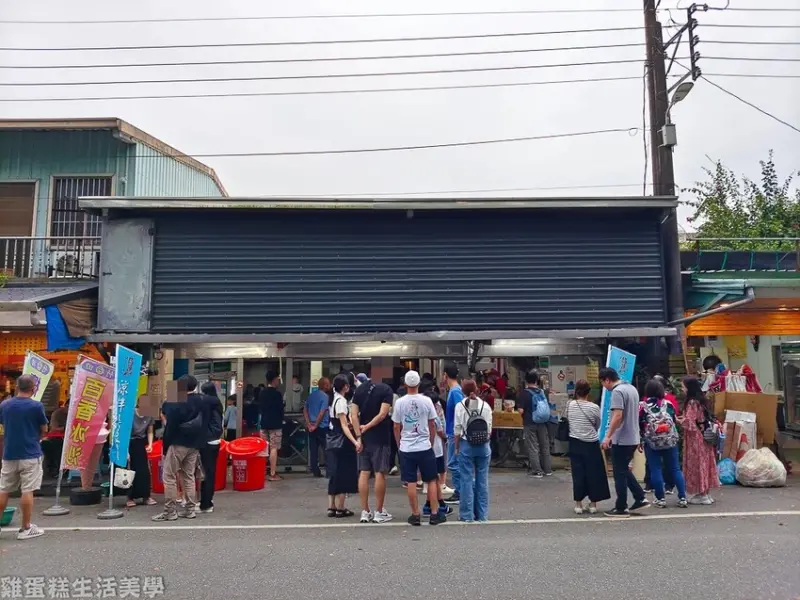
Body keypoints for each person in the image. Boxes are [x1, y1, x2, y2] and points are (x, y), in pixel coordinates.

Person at [392, 370, 444, 526]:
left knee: (411, 481)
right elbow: (432, 424)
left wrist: (399, 443)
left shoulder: (400, 402)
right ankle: (435, 514)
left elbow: (396, 426)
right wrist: (431, 439)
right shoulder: (427, 401)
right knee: (431, 480)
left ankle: (415, 514)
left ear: (405, 384)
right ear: (419, 384)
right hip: (424, 446)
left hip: (407, 447)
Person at [153, 374, 207, 521]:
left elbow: (170, 426)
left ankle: (170, 511)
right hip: (194, 444)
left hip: (177, 443)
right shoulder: (202, 400)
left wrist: (166, 446)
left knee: (169, 476)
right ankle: (190, 509)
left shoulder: (176, 402)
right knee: (188, 476)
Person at [0, 375, 47, 540]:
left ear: (17, 387)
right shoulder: (36, 406)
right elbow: (44, 428)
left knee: (4, 489)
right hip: (30, 452)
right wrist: (37, 437)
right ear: (33, 388)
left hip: (9, 453)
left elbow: (3, 425)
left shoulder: (5, 405)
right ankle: (26, 527)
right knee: (27, 490)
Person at [600, 367, 650, 518]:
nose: (604, 387)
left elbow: (617, 416)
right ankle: (640, 497)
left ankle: (621, 506)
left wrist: (608, 436)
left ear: (607, 380)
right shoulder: (632, 388)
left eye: (603, 383)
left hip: (622, 438)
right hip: (633, 437)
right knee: (623, 470)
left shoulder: (617, 391)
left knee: (619, 473)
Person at [639, 379, 688, 509]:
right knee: (675, 469)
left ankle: (660, 499)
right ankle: (682, 497)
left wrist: (640, 439)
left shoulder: (643, 406)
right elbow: (672, 420)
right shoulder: (668, 404)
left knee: (655, 469)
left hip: (652, 442)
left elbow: (640, 424)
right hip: (670, 441)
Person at [351, 376, 394, 524]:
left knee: (364, 472)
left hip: (363, 438)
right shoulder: (386, 389)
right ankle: (379, 511)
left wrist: (358, 435)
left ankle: (365, 511)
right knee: (379, 472)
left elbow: (353, 415)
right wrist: (368, 426)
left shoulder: (359, 389)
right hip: (380, 436)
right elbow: (383, 414)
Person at [567, 380, 610, 515]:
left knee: (578, 473)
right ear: (588, 392)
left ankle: (578, 504)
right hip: (591, 443)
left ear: (576, 391)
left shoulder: (570, 405)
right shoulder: (594, 407)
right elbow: (597, 424)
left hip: (575, 442)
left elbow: (568, 421)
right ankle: (593, 504)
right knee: (593, 474)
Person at [454, 379, 493, 523]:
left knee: (466, 480)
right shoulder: (486, 406)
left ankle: (467, 515)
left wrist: (457, 448)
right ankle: (482, 515)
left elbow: (457, 430)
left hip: (466, 444)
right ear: (476, 390)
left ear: (463, 391)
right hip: (483, 446)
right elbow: (489, 430)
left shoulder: (459, 406)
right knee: (482, 480)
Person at [679, 376, 720, 505]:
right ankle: (705, 493)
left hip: (695, 438)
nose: (682, 388)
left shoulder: (691, 402)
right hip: (705, 436)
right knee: (705, 463)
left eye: (683, 386)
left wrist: (679, 420)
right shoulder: (701, 401)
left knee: (696, 464)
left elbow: (690, 422)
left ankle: (701, 494)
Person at [326, 374, 360, 518]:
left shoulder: (332, 399)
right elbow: (344, 426)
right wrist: (355, 441)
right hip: (342, 441)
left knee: (334, 473)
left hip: (332, 439)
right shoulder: (341, 401)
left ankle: (331, 506)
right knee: (343, 473)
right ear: (345, 386)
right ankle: (341, 507)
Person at [643, 374, 679, 493]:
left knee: (653, 466)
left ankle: (651, 486)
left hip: (651, 438)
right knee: (672, 466)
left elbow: (642, 419)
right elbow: (674, 416)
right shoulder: (669, 400)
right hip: (669, 438)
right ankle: (671, 487)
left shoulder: (645, 401)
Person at [422, 387, 452, 519]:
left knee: (431, 479)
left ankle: (432, 504)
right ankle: (435, 506)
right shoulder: (433, 414)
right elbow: (439, 429)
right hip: (436, 449)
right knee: (434, 479)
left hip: (423, 448)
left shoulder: (421, 413)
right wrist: (445, 437)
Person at [517, 371, 553, 478]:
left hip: (530, 423)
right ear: (537, 381)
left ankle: (537, 471)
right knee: (544, 447)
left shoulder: (524, 393)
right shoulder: (542, 392)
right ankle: (548, 470)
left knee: (533, 447)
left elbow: (521, 411)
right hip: (542, 422)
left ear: (526, 381)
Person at [198, 381, 224, 514]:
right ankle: (208, 501)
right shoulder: (217, 402)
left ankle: (205, 503)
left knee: (205, 473)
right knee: (211, 472)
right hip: (216, 440)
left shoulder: (206, 402)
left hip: (207, 441)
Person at [126, 399, 156, 508]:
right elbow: (125, 431)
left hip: (140, 443)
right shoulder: (130, 414)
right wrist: (125, 451)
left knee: (144, 471)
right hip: (129, 442)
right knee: (130, 470)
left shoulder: (149, 415)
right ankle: (130, 497)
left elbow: (150, 431)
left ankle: (146, 496)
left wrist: (150, 444)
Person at [443, 364, 464, 504]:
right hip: (453, 431)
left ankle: (460, 492)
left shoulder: (455, 391)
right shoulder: (455, 390)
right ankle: (461, 491)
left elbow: (460, 411)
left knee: (453, 463)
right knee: (455, 462)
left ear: (445, 375)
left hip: (454, 432)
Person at [259, 371, 285, 482]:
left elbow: (260, 408)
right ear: (274, 380)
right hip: (275, 424)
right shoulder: (277, 394)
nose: (278, 381)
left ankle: (261, 472)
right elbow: (280, 409)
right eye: (278, 379)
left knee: (263, 449)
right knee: (273, 448)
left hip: (264, 424)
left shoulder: (262, 393)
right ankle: (273, 473)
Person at [304, 377, 330, 478]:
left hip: (311, 427)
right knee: (326, 449)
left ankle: (315, 470)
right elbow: (322, 412)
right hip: (322, 426)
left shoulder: (311, 396)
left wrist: (309, 424)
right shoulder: (325, 397)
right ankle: (329, 471)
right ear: (325, 385)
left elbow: (305, 410)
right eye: (328, 384)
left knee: (313, 449)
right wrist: (316, 425)